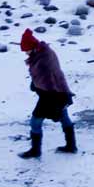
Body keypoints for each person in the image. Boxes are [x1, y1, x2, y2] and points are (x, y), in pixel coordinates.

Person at [18, 28, 78, 158]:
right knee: (63, 116)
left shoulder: (43, 59)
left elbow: (48, 78)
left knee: (35, 121)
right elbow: (43, 76)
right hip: (59, 92)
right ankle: (71, 145)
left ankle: (35, 150)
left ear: (33, 47)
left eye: (26, 50)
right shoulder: (44, 53)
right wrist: (35, 83)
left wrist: (38, 86)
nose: (26, 53)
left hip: (51, 95)